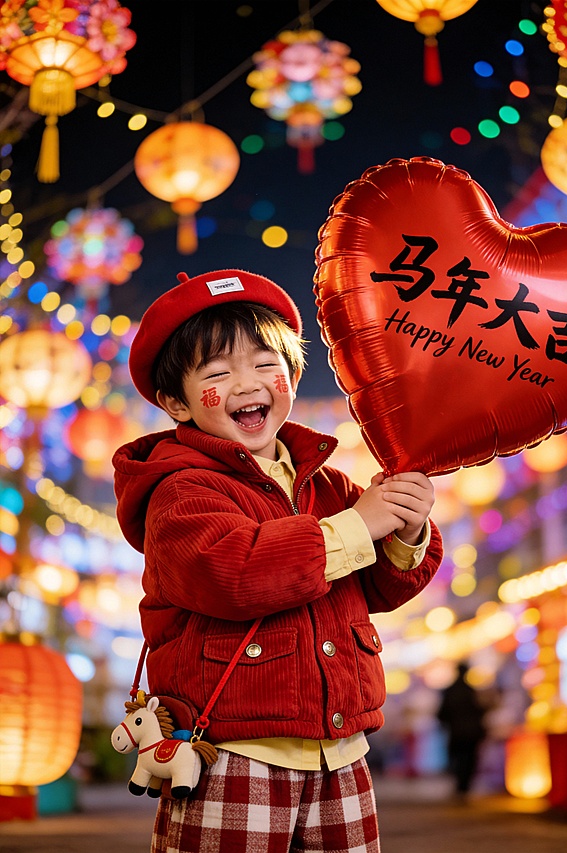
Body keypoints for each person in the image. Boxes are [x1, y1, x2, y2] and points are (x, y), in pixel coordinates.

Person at [113, 268, 443, 853]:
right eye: (217, 373)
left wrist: (406, 530)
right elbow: (233, 573)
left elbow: (379, 590)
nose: (248, 383)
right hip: (233, 750)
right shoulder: (181, 490)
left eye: (267, 363)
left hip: (341, 748)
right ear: (175, 402)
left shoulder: (327, 480)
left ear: (292, 373)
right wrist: (358, 524)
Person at [436, 661, 487, 799]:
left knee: (457, 758)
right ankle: (464, 785)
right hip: (471, 733)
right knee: (469, 759)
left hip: (456, 732)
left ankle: (460, 785)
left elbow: (442, 713)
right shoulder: (472, 691)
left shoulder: (450, 691)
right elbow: (480, 711)